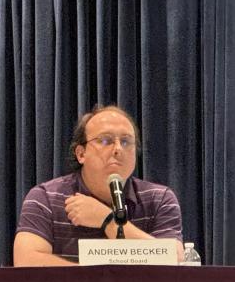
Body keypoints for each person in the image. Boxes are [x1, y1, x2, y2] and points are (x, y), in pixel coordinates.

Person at [13, 104, 183, 266]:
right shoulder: (45, 198)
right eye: (105, 141)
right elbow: (27, 261)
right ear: (81, 154)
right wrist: (99, 281)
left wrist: (107, 220)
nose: (118, 149)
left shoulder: (160, 199)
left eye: (126, 142)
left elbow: (175, 260)